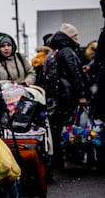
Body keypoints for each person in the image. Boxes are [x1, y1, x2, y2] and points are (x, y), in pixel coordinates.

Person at [44, 23, 88, 169]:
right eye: (74, 36)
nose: (77, 38)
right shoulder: (67, 50)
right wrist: (81, 94)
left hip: (56, 95)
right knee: (71, 126)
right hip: (68, 94)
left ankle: (58, 158)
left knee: (57, 128)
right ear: (68, 37)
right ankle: (73, 155)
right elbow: (74, 73)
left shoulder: (52, 53)